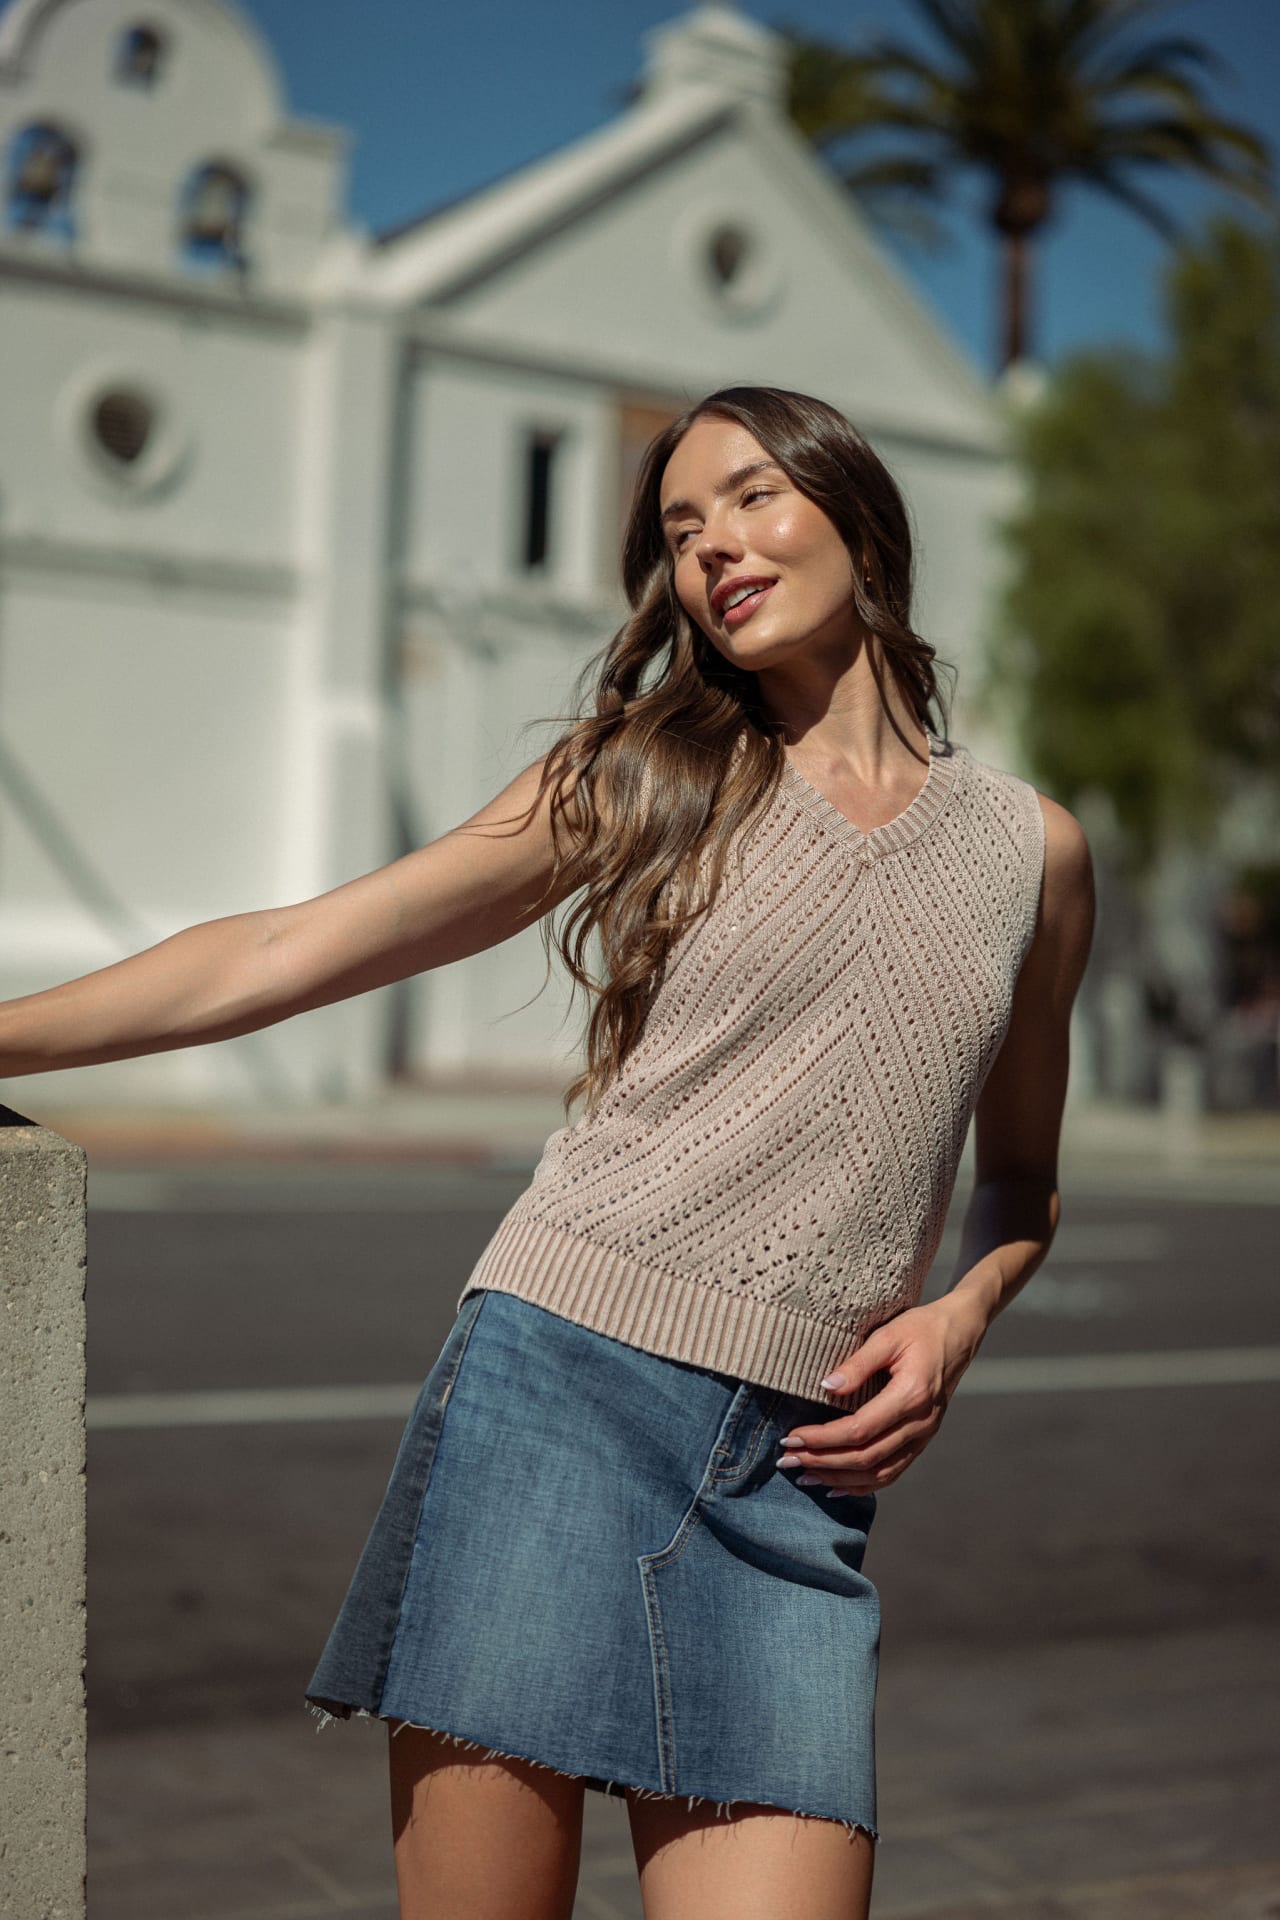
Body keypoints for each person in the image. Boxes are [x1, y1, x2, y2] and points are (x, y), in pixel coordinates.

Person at [0, 386, 1094, 1920]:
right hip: (557, 1399)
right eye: (680, 529)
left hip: (798, 1481)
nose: (716, 546)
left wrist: (960, 1314)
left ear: (859, 512)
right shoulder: (649, 775)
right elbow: (292, 951)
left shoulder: (1032, 854)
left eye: (755, 498)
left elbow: (1022, 1179)